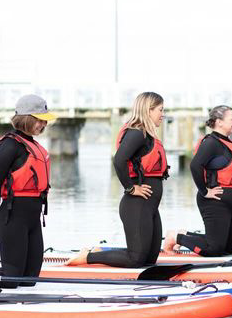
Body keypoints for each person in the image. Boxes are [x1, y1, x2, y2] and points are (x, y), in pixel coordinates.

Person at [66, 92, 168, 267]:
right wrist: (130, 188)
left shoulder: (148, 136)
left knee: (149, 260)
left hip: (150, 207)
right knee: (136, 259)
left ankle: (99, 253)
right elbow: (119, 160)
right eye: (160, 110)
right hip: (137, 205)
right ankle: (88, 257)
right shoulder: (137, 133)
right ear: (149, 110)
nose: (163, 114)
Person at [0, 95, 55, 287]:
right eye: (39, 120)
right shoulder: (10, 145)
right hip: (12, 217)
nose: (43, 124)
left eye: (44, 120)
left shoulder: (33, 146)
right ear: (26, 118)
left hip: (33, 219)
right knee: (11, 279)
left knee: (30, 280)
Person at [163, 105, 232, 256]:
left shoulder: (227, 143)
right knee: (214, 249)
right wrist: (205, 191)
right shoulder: (211, 143)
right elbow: (195, 165)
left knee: (228, 250)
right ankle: (175, 237)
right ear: (219, 122)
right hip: (215, 203)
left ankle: (186, 233)